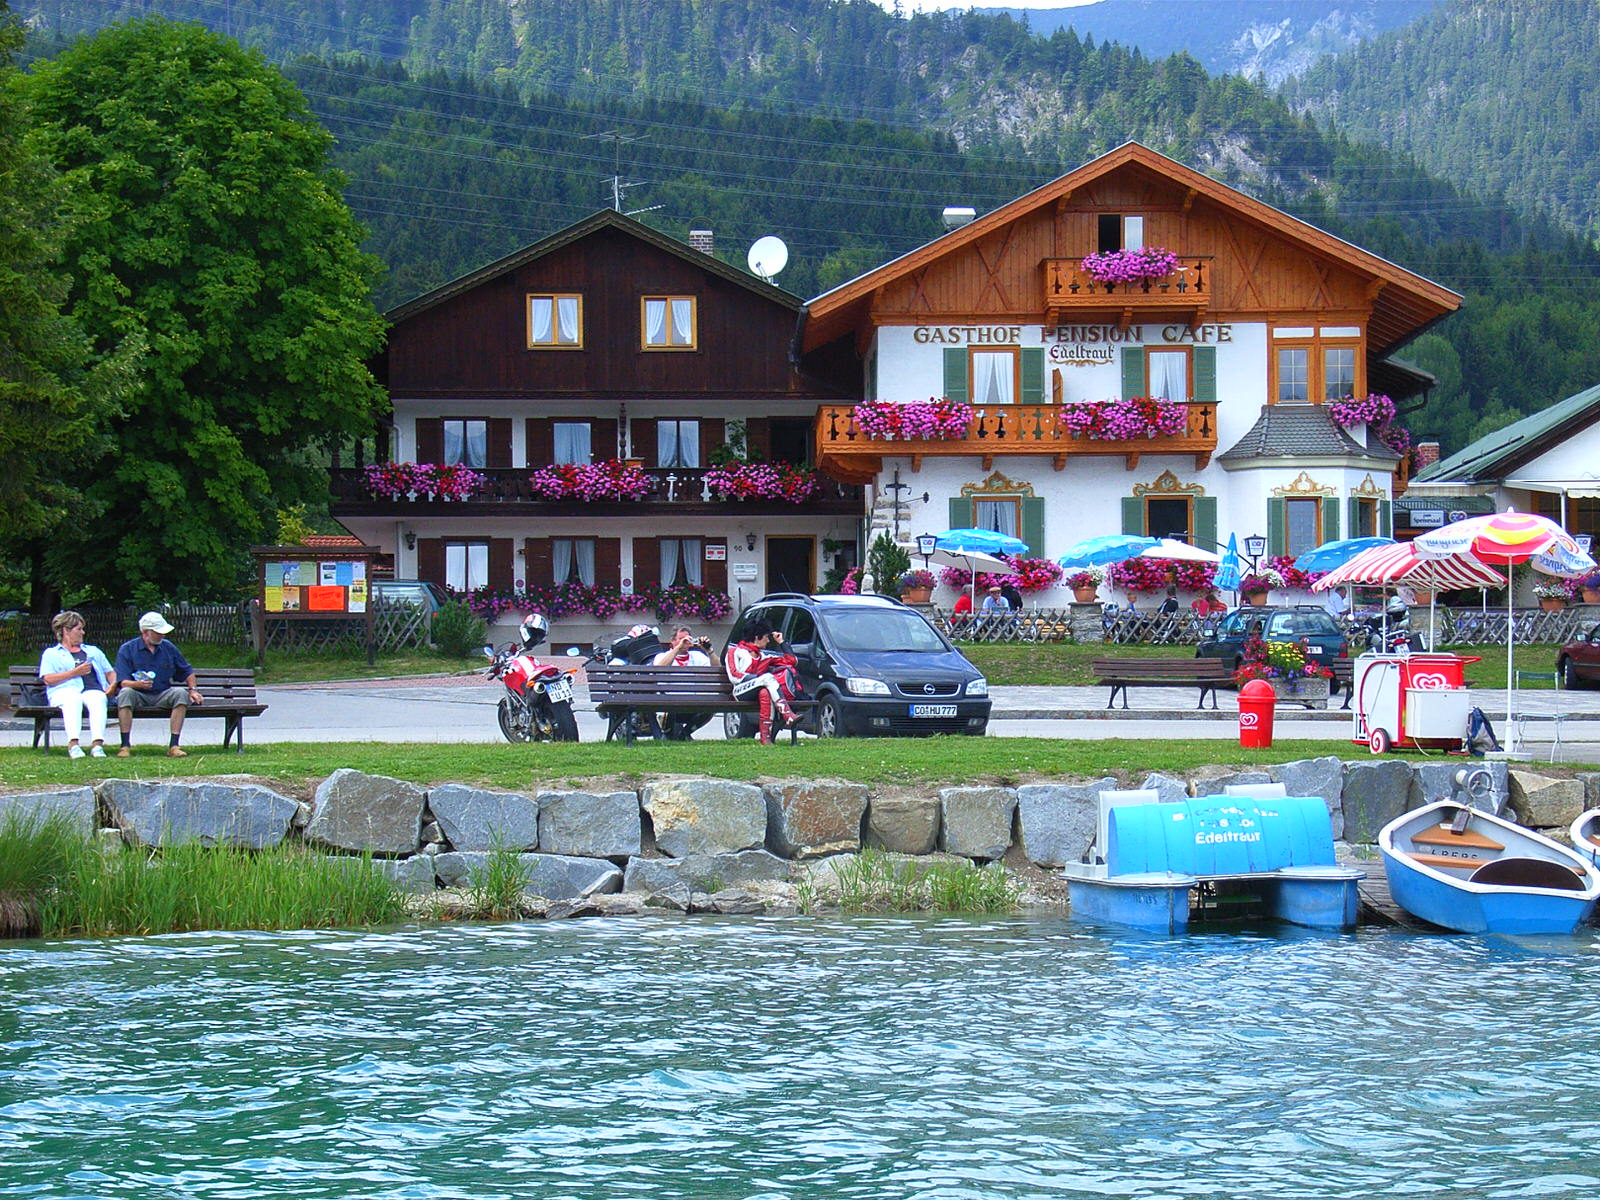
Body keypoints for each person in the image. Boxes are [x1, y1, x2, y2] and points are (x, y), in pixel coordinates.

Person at [114, 611, 203, 758]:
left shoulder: (168, 647)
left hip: (162, 693)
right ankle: (125, 746)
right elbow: (122, 682)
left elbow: (187, 671)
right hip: (138, 694)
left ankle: (174, 745)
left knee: (180, 693)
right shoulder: (128, 649)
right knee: (125, 693)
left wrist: (193, 690)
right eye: (158, 632)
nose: (162, 635)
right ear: (146, 632)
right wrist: (138, 684)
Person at [38, 611, 117, 759]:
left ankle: (97, 745)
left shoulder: (93, 651)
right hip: (63, 691)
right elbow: (48, 679)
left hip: (90, 690)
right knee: (73, 699)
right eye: (79, 629)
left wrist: (112, 684)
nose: (83, 632)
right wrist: (75, 672)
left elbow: (110, 672)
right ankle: (73, 745)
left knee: (98, 698)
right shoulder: (51, 654)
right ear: (66, 631)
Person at [725, 617, 804, 745]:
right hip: (740, 692)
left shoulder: (764, 656)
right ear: (757, 637)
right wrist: (760, 679)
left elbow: (792, 661)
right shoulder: (735, 651)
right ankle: (787, 714)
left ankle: (765, 738)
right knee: (767, 678)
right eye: (766, 637)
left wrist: (782, 642)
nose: (768, 640)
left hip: (758, 691)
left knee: (765, 693)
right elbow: (734, 676)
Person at [652, 624, 722, 740]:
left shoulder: (697, 656)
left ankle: (684, 734)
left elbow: (716, 670)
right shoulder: (662, 656)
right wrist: (678, 649)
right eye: (680, 639)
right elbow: (659, 669)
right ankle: (668, 734)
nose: (684, 643)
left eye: (687, 639)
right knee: (664, 711)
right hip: (668, 702)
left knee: (710, 707)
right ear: (673, 641)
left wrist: (709, 650)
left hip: (691, 702)